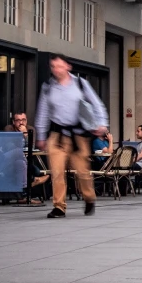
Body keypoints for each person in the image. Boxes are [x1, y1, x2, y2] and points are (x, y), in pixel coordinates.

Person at [34, 53, 109, 218]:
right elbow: (43, 112)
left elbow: (97, 104)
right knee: (57, 171)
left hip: (78, 135)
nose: (56, 70)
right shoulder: (48, 87)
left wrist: (102, 124)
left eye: (60, 66)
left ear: (68, 67)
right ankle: (59, 206)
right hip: (57, 134)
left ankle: (89, 197)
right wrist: (40, 135)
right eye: (53, 67)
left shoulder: (81, 84)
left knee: (82, 172)